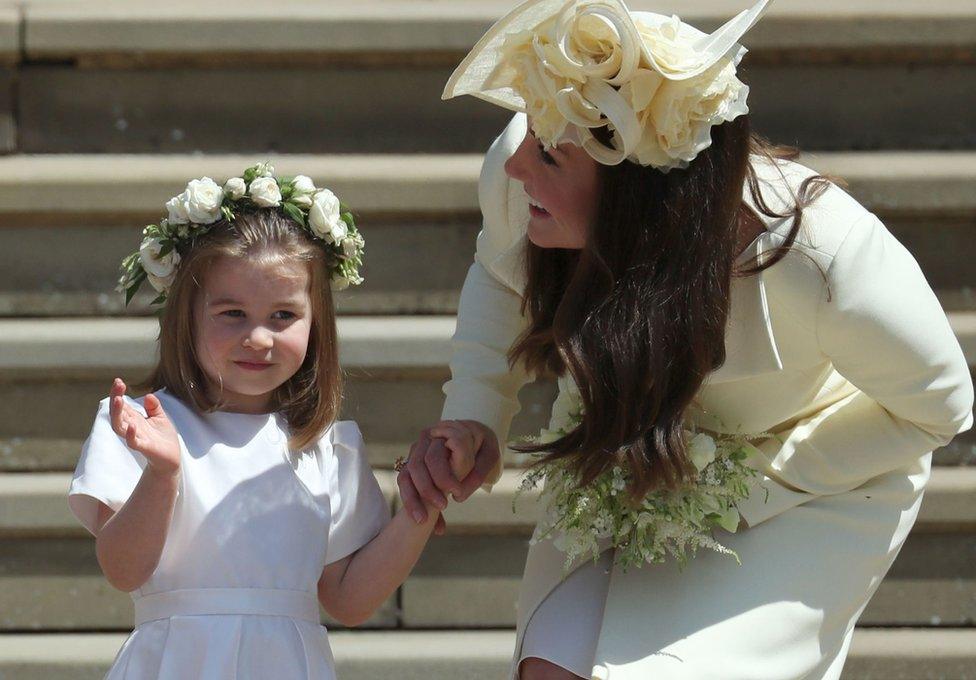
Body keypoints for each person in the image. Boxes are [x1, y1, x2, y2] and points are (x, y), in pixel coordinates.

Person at [397, 1, 975, 678]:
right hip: (626, 444)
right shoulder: (521, 174)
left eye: (549, 155)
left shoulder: (822, 260)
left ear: (638, 193)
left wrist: (741, 485)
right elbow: (500, 277)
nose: (518, 165)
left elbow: (940, 409)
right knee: (551, 667)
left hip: (812, 485)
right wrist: (474, 411)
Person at [67, 165, 469, 679]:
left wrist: (422, 502)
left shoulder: (327, 446)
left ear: (315, 321)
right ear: (186, 315)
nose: (258, 338)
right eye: (232, 313)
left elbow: (348, 599)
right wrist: (162, 474)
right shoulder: (142, 426)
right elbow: (123, 570)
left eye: (282, 316)